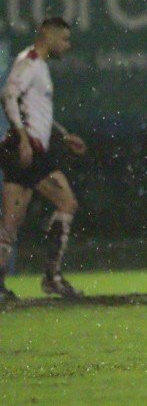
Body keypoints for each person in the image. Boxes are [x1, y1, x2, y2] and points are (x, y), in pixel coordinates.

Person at [0, 17, 87, 304]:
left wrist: (62, 135)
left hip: (26, 148)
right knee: (66, 203)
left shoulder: (40, 67)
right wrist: (23, 139)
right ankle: (52, 277)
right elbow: (8, 94)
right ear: (47, 36)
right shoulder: (30, 60)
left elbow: (33, 110)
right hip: (27, 149)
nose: (67, 45)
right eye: (64, 39)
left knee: (11, 223)